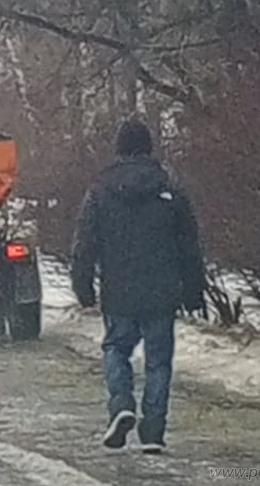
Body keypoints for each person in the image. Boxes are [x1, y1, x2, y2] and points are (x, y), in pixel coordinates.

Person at [71, 120, 206, 454]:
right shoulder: (170, 190)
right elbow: (189, 245)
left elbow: (85, 243)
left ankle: (121, 405)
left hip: (119, 291)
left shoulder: (100, 191)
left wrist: (83, 285)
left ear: (119, 149)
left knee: (116, 349)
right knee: (159, 362)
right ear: (149, 148)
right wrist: (193, 290)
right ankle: (154, 432)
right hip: (162, 291)